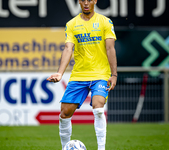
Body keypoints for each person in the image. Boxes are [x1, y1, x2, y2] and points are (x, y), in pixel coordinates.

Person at [47, 0, 117, 149]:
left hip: (101, 74)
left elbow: (110, 49)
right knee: (65, 113)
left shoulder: (105, 22)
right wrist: (60, 73)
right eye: (83, 0)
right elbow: (68, 48)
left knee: (98, 107)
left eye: (89, 0)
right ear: (79, 1)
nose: (86, 3)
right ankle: (65, 147)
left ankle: (101, 148)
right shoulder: (72, 24)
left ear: (95, 1)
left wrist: (114, 74)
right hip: (79, 75)